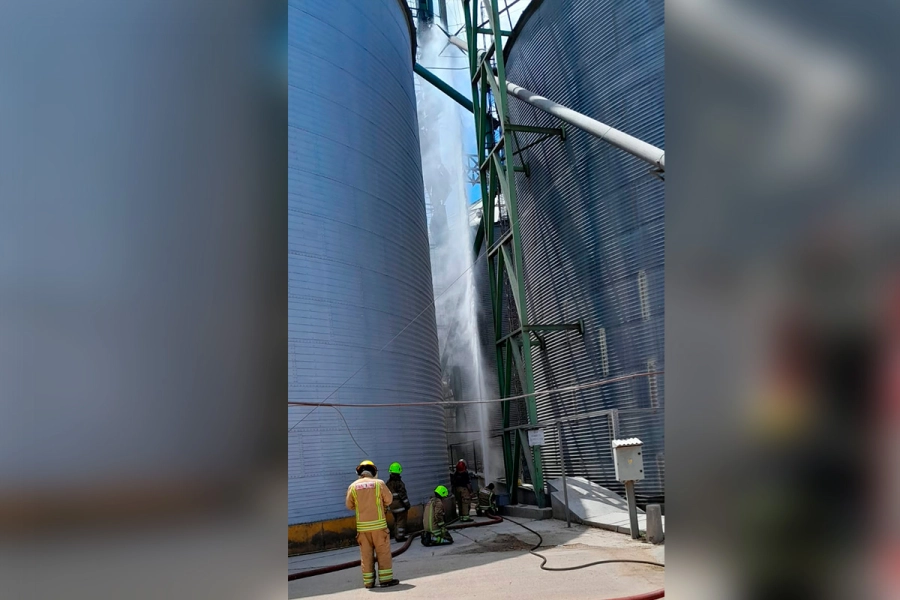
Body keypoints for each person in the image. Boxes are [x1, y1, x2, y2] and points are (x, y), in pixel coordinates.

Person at [345, 460, 400, 589]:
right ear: (374, 471)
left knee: (366, 555)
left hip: (363, 529)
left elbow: (349, 505)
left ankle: (369, 582)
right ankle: (386, 580)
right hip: (379, 527)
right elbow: (389, 500)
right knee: (383, 553)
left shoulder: (353, 486)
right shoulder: (379, 484)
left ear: (359, 472)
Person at [385, 461, 411, 541]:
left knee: (396, 521)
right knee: (401, 522)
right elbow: (403, 496)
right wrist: (407, 505)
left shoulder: (388, 483)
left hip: (392, 506)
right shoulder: (399, 483)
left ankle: (397, 535)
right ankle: (400, 537)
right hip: (400, 506)